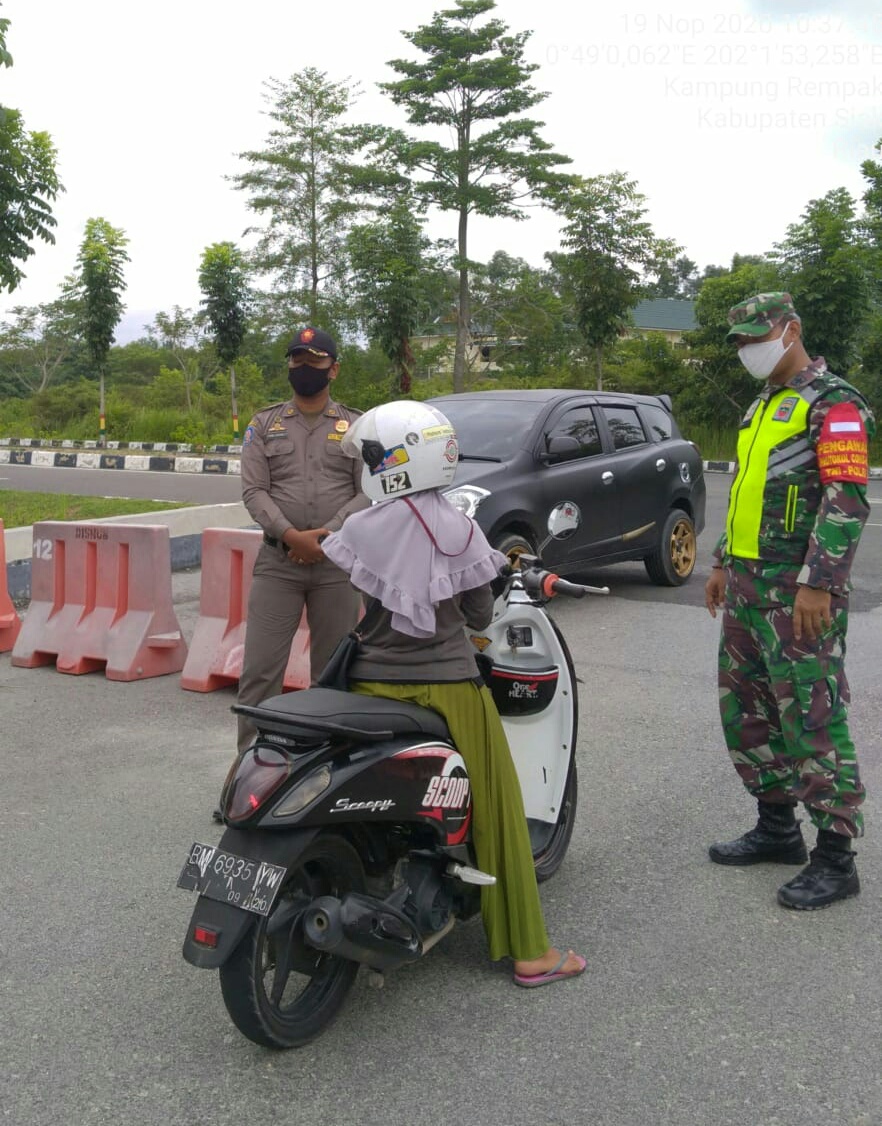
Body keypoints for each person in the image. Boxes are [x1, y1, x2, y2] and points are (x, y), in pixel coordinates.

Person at [321, 399, 586, 988]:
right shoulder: (461, 530)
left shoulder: (359, 527)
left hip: (369, 684)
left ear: (394, 461)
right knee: (498, 808)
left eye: (372, 455)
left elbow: (368, 594)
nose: (367, 465)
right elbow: (479, 614)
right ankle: (529, 952)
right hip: (448, 689)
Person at [705, 292, 875, 910]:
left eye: (758, 336)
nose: (748, 349)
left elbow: (846, 499)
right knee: (748, 711)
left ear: (791, 329)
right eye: (741, 341)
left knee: (811, 715)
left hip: (796, 591)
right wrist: (721, 560)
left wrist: (819, 581)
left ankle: (835, 858)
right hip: (747, 585)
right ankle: (777, 828)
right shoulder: (763, 404)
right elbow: (748, 491)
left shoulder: (834, 403)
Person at [233, 326, 370, 756]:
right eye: (297, 359)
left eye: (314, 360)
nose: (305, 367)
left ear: (334, 369)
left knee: (333, 673)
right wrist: (292, 536)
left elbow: (368, 491)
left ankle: (326, 765)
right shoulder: (264, 424)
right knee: (260, 672)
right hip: (278, 565)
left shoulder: (356, 426)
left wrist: (326, 535)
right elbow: (254, 491)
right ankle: (250, 766)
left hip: (336, 567)